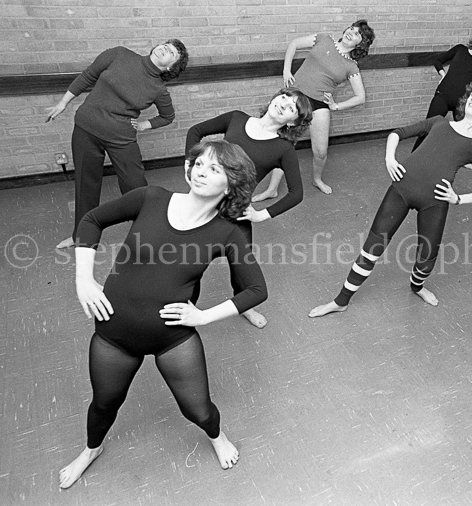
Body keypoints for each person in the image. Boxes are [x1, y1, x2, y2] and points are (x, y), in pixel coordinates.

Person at [58, 140, 267, 489]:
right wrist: (84, 279)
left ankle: (217, 438)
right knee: (104, 405)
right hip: (114, 332)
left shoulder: (230, 231)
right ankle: (91, 450)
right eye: (199, 163)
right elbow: (92, 219)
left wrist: (203, 317)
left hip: (173, 338)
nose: (200, 170)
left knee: (198, 411)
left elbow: (256, 290)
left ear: (231, 184)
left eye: (214, 168)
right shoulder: (151, 198)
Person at [309, 82, 472, 317]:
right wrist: (390, 159)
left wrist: (458, 198)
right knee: (372, 249)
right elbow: (397, 133)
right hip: (401, 190)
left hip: (435, 201)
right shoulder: (439, 122)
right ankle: (341, 300)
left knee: (427, 257)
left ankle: (417, 286)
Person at [185, 88, 312, 328]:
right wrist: (191, 165)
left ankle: (245, 306)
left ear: (293, 121)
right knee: (191, 260)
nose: (284, 104)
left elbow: (297, 193)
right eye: (284, 97)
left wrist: (261, 214)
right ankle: (186, 306)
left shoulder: (283, 149)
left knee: (242, 267)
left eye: (292, 107)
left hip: (236, 212)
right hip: (202, 205)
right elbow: (196, 131)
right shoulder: (236, 118)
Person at [46, 40, 189, 249]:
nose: (165, 48)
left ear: (170, 67)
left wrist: (143, 126)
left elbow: (168, 116)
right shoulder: (119, 54)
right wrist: (63, 102)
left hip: (121, 139)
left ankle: (150, 236)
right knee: (85, 185)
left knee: (136, 188)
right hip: (86, 129)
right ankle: (83, 237)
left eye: (172, 52)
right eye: (165, 44)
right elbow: (88, 75)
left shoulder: (158, 89)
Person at [253, 20, 375, 197]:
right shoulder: (324, 39)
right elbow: (294, 44)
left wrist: (336, 105)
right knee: (285, 144)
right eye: (351, 28)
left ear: (361, 43)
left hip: (319, 105)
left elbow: (360, 97)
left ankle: (317, 179)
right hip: (296, 98)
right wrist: (286, 71)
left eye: (357, 34)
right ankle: (272, 189)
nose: (351, 32)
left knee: (320, 151)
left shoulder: (351, 66)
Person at [412, 22, 472, 151]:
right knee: (427, 131)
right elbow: (438, 61)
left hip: (462, 103)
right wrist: (443, 75)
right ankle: (412, 162)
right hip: (443, 96)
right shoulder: (460, 49)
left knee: (462, 136)